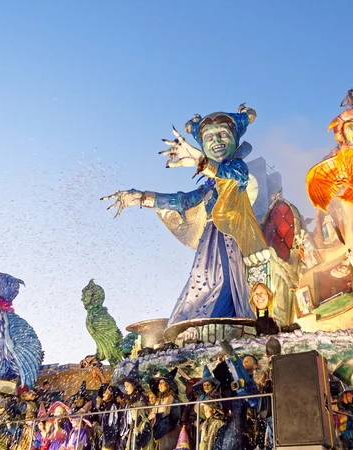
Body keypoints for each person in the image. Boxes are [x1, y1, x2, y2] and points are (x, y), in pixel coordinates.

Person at [103, 105, 267, 326]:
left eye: (223, 135)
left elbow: (228, 175)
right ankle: (193, 322)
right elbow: (182, 201)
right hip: (209, 240)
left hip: (232, 236)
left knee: (227, 280)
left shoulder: (237, 168)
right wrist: (142, 198)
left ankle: (220, 320)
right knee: (200, 283)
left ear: (235, 140)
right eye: (208, 137)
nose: (216, 141)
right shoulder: (208, 189)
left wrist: (200, 161)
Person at [117, 366, 153, 450]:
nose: (126, 389)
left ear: (134, 385)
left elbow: (142, 413)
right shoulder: (127, 400)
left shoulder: (141, 397)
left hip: (138, 428)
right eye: (125, 386)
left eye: (127, 386)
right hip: (128, 431)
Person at [149, 368, 182, 450]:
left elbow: (175, 416)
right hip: (158, 432)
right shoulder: (158, 400)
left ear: (168, 385)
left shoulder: (174, 399)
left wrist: (159, 419)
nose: (159, 386)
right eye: (158, 383)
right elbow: (152, 415)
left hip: (170, 432)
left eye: (161, 383)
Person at [98, 383, 121, 450]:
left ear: (112, 395)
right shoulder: (106, 406)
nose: (104, 394)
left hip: (109, 437)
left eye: (107, 392)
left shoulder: (112, 407)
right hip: (106, 435)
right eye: (104, 392)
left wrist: (111, 440)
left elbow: (114, 425)